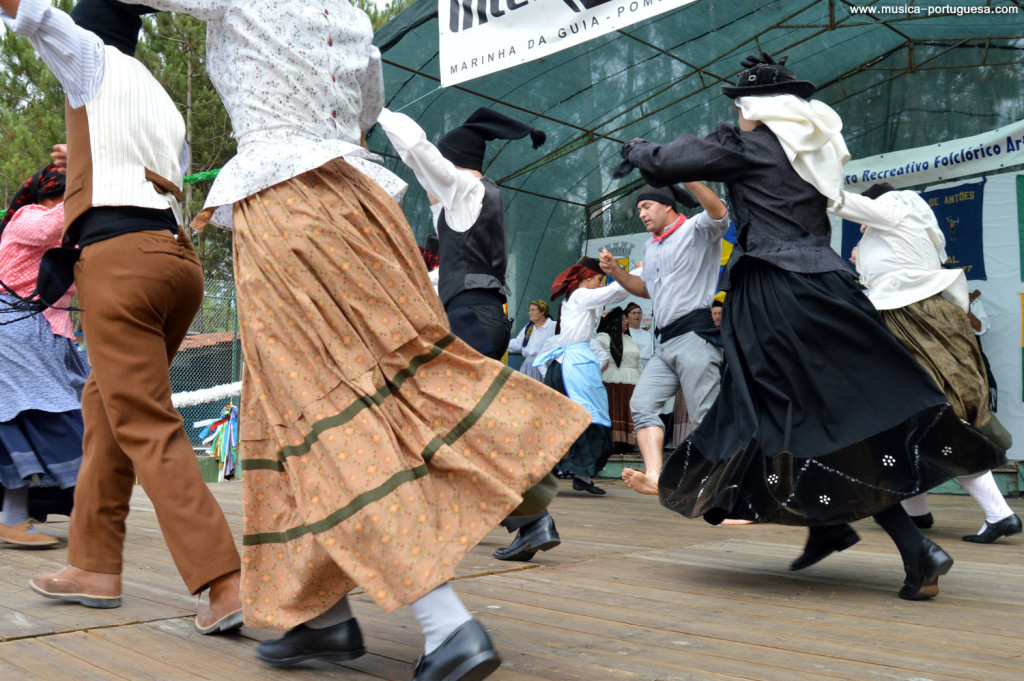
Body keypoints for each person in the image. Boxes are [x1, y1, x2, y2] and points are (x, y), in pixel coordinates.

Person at [118, 2, 590, 678]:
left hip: (287, 209)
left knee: (323, 409)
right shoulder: (346, 14)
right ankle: (322, 614)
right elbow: (367, 106)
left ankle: (446, 622)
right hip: (362, 205)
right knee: (367, 387)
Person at [613, 52, 1004, 599]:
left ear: (757, 108)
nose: (738, 114)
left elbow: (682, 156)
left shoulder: (752, 146)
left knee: (779, 411)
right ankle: (852, 532)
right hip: (827, 286)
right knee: (819, 414)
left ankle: (885, 540)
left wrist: (635, 151)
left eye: (741, 105)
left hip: (775, 293)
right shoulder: (810, 153)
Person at [1, 0, 244, 630]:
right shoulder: (156, 96)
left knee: (143, 419)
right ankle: (94, 565)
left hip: (120, 262)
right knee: (104, 404)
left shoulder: (89, 59)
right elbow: (165, 174)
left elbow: (32, 15)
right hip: (175, 260)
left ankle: (226, 581)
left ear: (89, 31)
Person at [836, 182, 1020, 544]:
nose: (861, 226)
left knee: (930, 414)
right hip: (918, 315)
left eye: (864, 219)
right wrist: (866, 258)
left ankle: (1000, 513)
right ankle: (917, 512)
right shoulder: (911, 230)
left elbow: (841, 202)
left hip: (910, 317)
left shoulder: (896, 203)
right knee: (905, 417)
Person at [380, 106, 546, 362]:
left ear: (450, 165)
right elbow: (455, 271)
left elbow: (414, 147)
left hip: (470, 319)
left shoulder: (465, 190)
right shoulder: (482, 197)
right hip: (487, 318)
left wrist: (377, 110)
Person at [598, 182, 730, 496]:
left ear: (667, 206)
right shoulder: (650, 247)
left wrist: (690, 178)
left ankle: (724, 491)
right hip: (665, 343)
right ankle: (656, 475)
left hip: (695, 337)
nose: (641, 213)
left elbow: (720, 214)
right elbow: (646, 289)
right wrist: (616, 271)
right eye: (639, 209)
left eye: (646, 207)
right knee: (642, 404)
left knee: (705, 416)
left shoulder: (696, 230)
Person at [0, 164, 88, 548]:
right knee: (43, 419)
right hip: (15, 336)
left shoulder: (70, 238)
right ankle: (15, 520)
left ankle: (20, 517)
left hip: (44, 338)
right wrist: (92, 174)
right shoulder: (28, 218)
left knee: (44, 419)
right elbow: (57, 224)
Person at [534, 257, 635, 496]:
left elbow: (615, 294)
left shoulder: (585, 299)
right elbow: (612, 292)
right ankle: (557, 472)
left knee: (576, 419)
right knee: (590, 418)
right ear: (587, 277)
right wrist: (636, 271)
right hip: (573, 367)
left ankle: (580, 474)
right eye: (599, 279)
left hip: (575, 364)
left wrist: (632, 277)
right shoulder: (580, 295)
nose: (601, 284)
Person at [593, 306, 642, 452]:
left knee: (629, 413)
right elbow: (595, 357)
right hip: (612, 382)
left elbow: (637, 361)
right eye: (623, 318)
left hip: (632, 381)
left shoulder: (628, 338)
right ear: (615, 321)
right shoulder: (603, 337)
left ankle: (627, 443)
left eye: (627, 318)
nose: (626, 321)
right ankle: (612, 443)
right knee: (615, 412)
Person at [508, 299, 555, 382]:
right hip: (527, 368)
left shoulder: (553, 326)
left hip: (545, 367)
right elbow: (518, 344)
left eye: (533, 310)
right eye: (529, 310)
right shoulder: (529, 328)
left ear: (543, 311)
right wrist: (502, 342)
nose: (530, 312)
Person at [624, 301, 654, 366]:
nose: (637, 315)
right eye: (633, 313)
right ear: (627, 316)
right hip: (631, 366)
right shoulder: (625, 334)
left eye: (639, 313)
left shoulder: (648, 335)